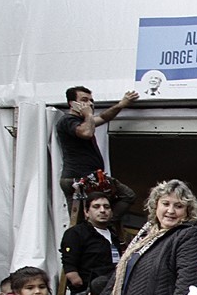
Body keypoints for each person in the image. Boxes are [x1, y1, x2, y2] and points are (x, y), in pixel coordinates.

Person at [56, 86, 137, 222]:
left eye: (91, 101)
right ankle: (99, 226)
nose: (90, 104)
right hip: (77, 178)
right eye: (84, 100)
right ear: (72, 104)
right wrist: (88, 114)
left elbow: (103, 117)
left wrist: (121, 104)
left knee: (127, 195)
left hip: (90, 177)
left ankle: (102, 225)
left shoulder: (84, 122)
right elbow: (86, 133)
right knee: (81, 219)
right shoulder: (67, 120)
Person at [60, 192, 122, 295]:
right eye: (96, 206)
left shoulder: (113, 235)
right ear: (86, 212)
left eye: (106, 207)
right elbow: (70, 269)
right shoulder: (76, 233)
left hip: (111, 294)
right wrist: (85, 289)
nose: (102, 210)